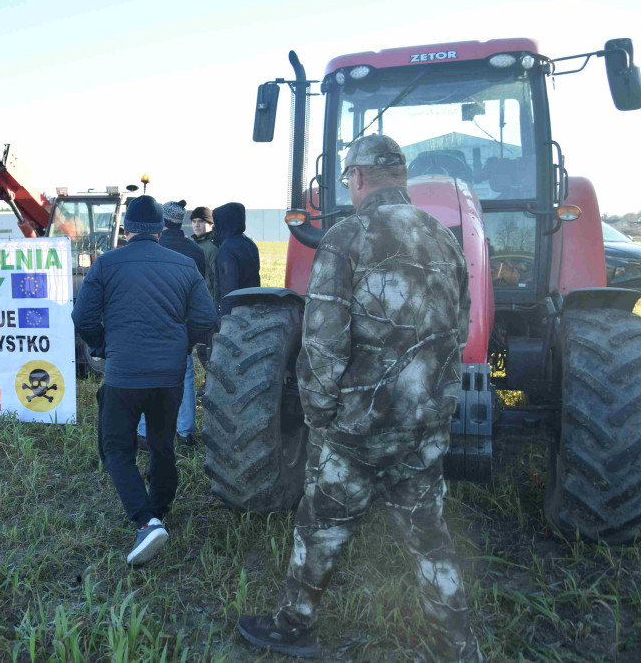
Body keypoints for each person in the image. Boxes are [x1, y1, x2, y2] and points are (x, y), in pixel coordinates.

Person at [237, 134, 479, 662]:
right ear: (401, 176)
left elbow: (323, 343)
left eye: (347, 178)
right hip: (426, 423)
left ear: (359, 177)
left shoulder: (348, 236)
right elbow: (459, 331)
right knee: (429, 536)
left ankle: (293, 625)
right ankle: (457, 647)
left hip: (360, 428)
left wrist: (321, 418)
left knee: (320, 524)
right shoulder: (444, 236)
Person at [72, 195, 217, 566]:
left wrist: (102, 345)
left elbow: (83, 316)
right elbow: (205, 318)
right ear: (161, 228)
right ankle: (161, 509)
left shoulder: (106, 263)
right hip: (168, 377)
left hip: (124, 376)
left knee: (115, 449)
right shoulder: (185, 265)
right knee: (161, 443)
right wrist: (182, 346)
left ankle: (145, 519)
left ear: (127, 229)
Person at [135, 201, 207, 449]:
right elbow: (201, 297)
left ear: (161, 222)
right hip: (181, 327)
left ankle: (145, 434)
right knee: (185, 379)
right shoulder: (194, 250)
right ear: (181, 221)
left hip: (148, 324)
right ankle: (185, 433)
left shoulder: (151, 248)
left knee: (145, 378)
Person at [212, 202, 260, 318]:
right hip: (254, 307)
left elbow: (229, 292)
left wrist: (224, 319)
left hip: (235, 313)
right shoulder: (249, 243)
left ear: (223, 223)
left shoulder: (226, 250)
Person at [190, 206, 218, 302]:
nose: (196, 225)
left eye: (201, 221)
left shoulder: (212, 247)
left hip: (209, 300)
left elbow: (218, 279)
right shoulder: (193, 244)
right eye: (194, 221)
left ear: (211, 224)